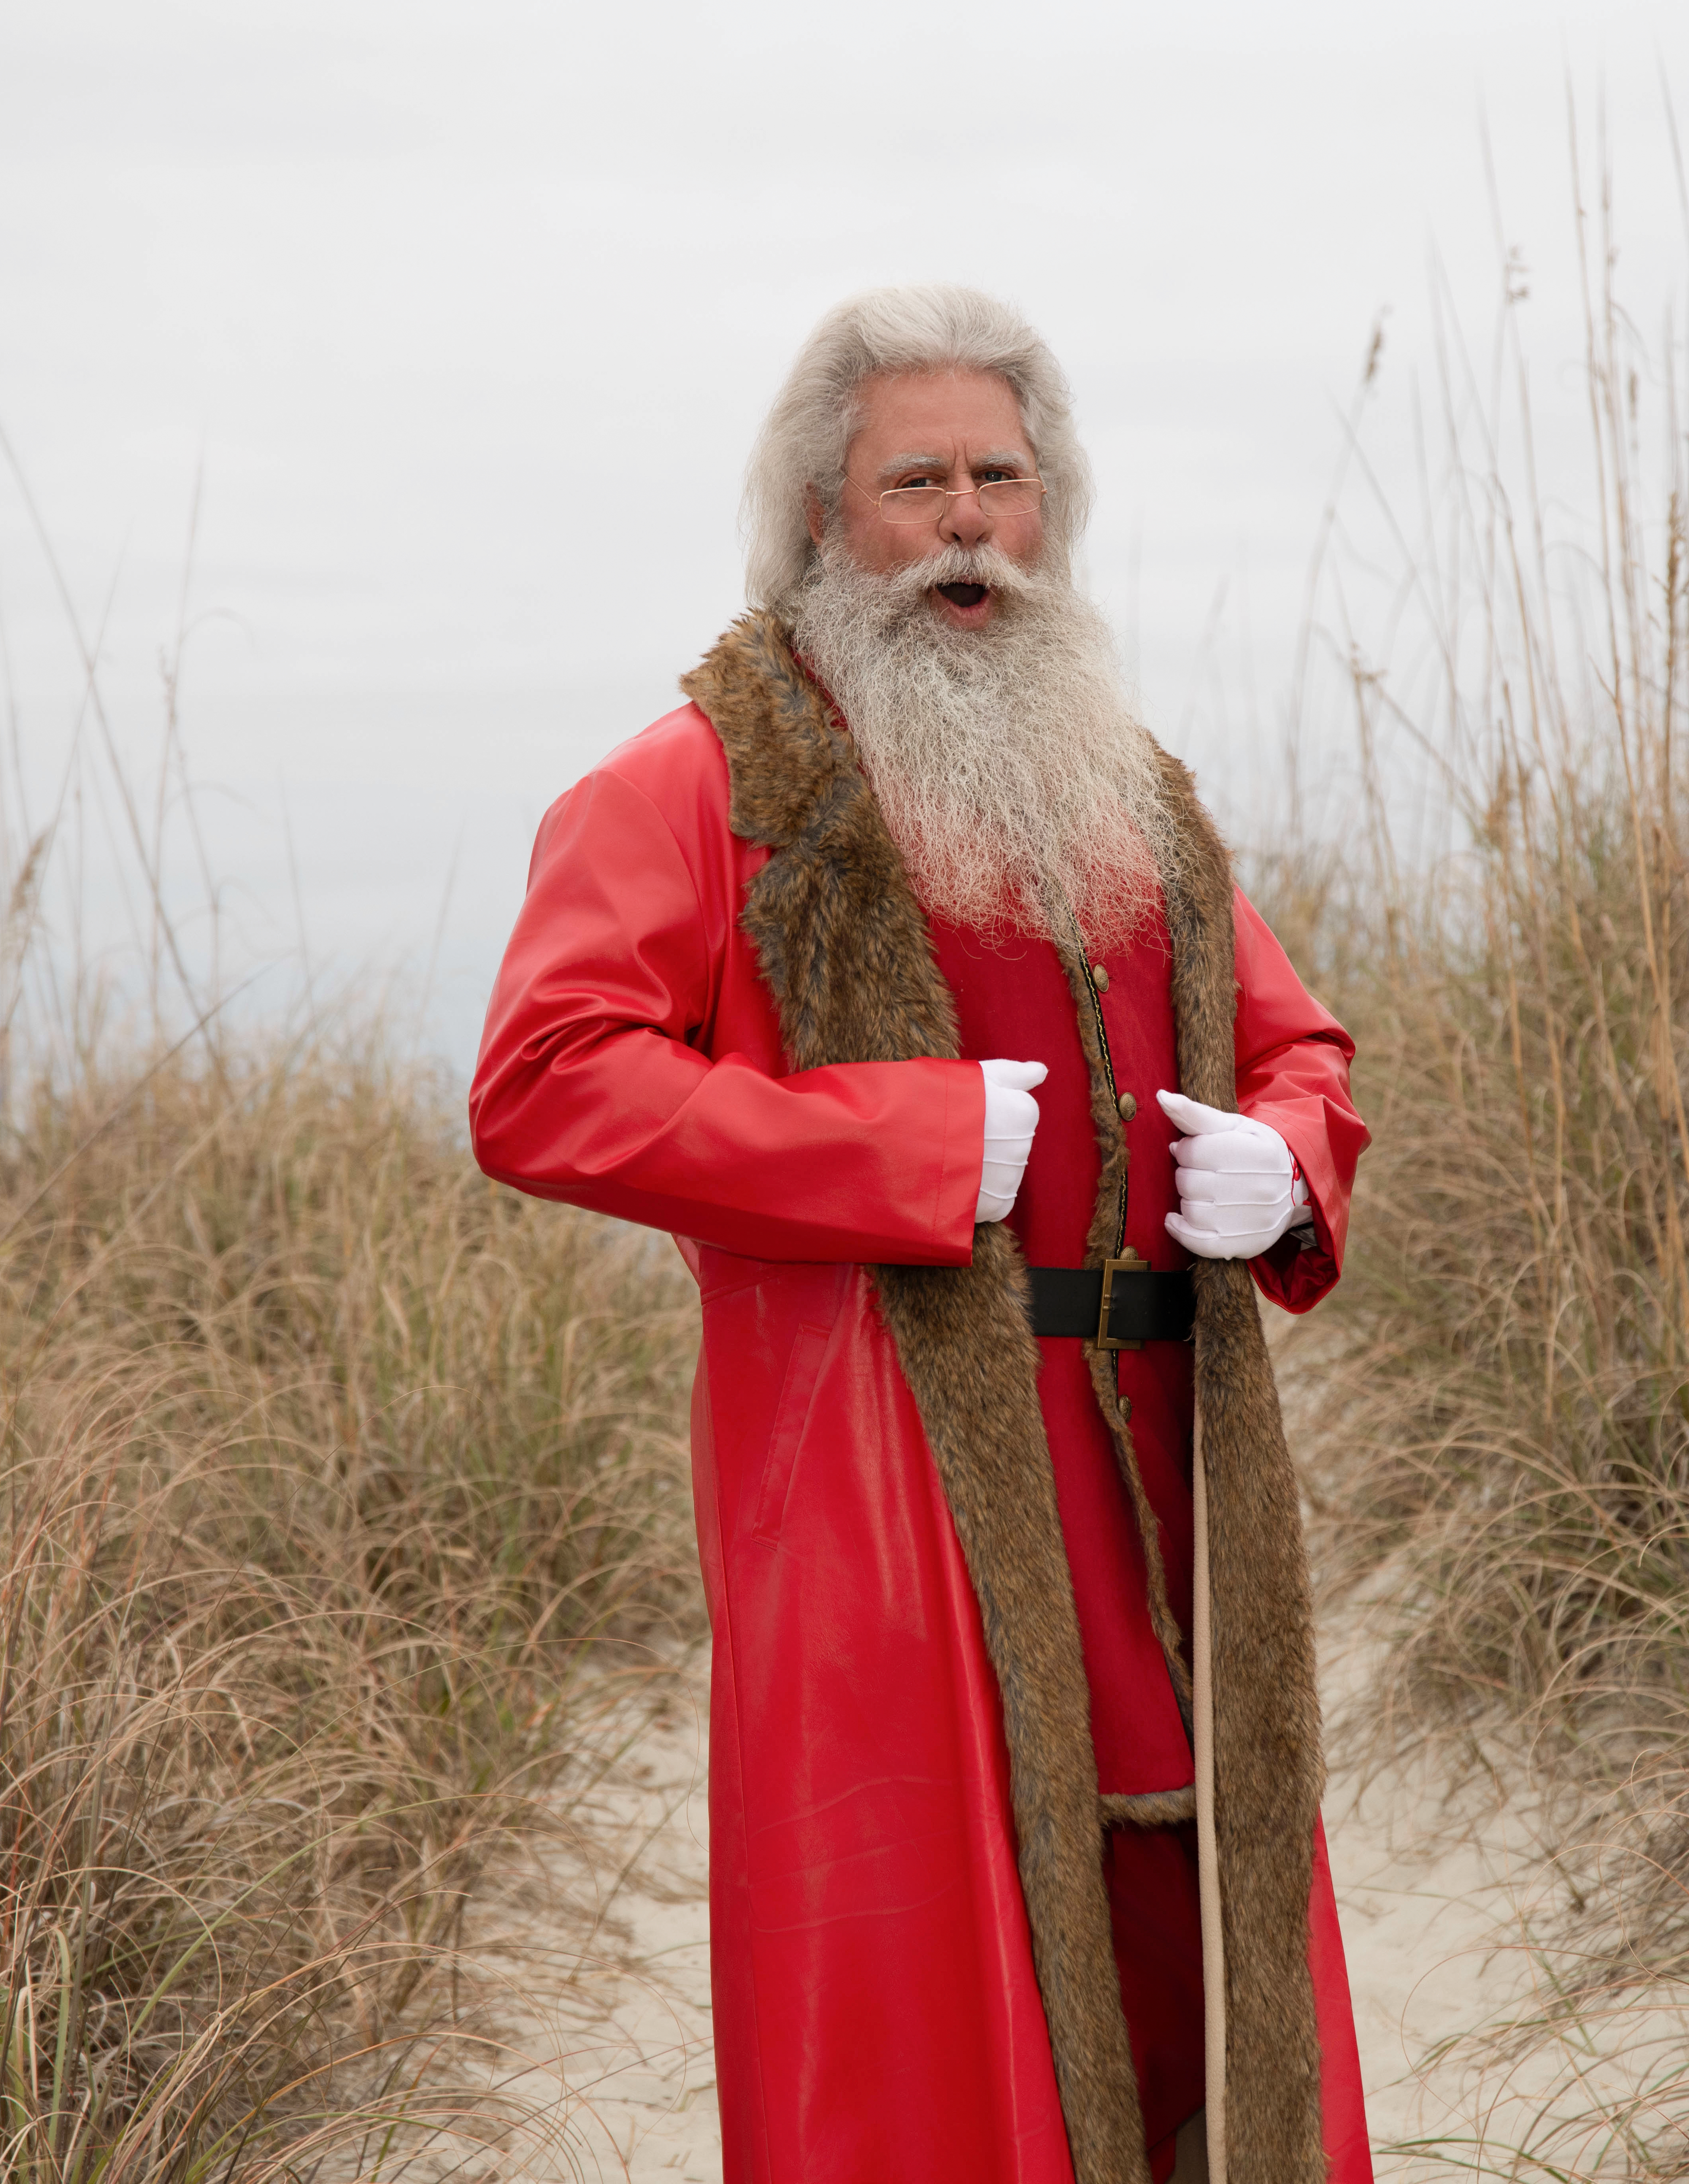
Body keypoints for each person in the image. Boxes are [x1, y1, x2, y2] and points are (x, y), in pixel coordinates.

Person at [470, 284, 1373, 2184]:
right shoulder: (706, 786)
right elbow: (544, 1077)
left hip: (1173, 1502)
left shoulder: (1130, 795)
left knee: (1182, 1941)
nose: (970, 520)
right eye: (917, 482)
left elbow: (1296, 1045)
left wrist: (1290, 1164)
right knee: (929, 2022)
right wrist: (891, 1142)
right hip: (888, 1510)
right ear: (823, 521)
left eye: (1002, 477)